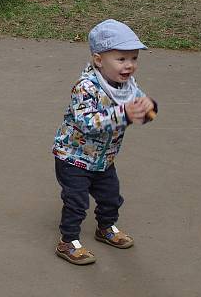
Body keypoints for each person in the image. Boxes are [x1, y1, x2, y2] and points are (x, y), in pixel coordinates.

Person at [52, 19, 157, 266]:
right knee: (76, 202)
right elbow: (88, 123)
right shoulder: (85, 87)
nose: (129, 65)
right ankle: (68, 241)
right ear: (99, 60)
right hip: (73, 158)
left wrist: (149, 109)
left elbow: (139, 105)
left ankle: (106, 227)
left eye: (133, 59)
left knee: (111, 197)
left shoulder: (126, 85)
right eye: (121, 59)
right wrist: (124, 114)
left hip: (104, 158)